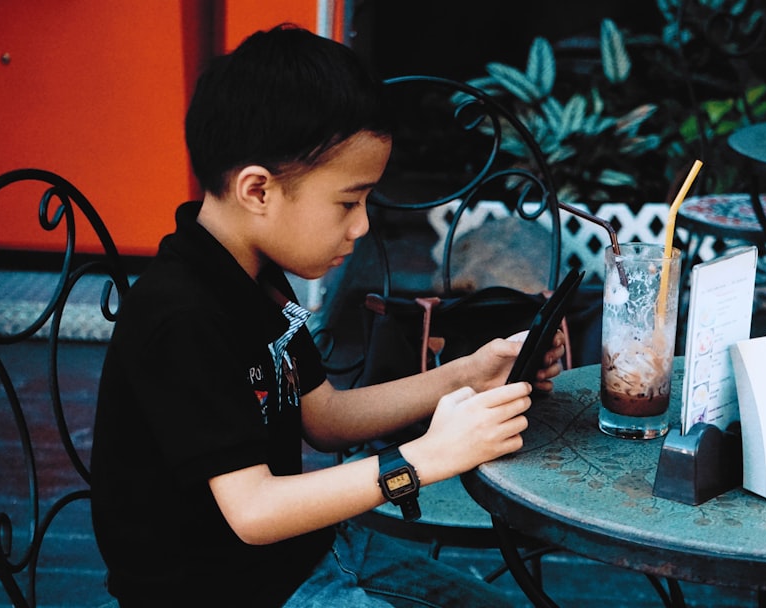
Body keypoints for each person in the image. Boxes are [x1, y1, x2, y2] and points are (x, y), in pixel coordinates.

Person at [89, 23, 565, 608]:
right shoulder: (179, 314)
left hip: (310, 555)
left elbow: (325, 415)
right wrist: (426, 457)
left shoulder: (255, 274)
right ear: (258, 191)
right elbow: (255, 510)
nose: (361, 226)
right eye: (348, 201)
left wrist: (468, 373)